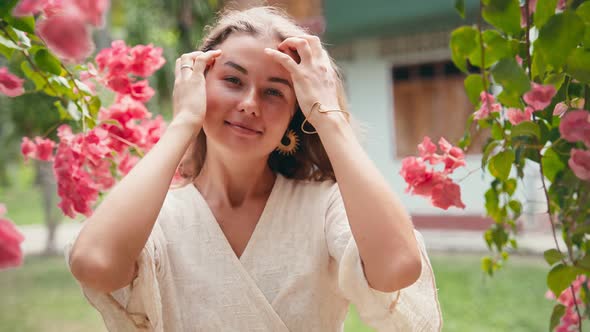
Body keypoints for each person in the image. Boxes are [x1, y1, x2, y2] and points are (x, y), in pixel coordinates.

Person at [65, 6, 442, 332]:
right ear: (198, 85)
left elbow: (398, 267)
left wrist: (329, 115)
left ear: (297, 110)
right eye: (232, 80)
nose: (249, 103)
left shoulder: (324, 207)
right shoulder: (158, 215)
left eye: (274, 91)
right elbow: (94, 264)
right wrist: (183, 122)